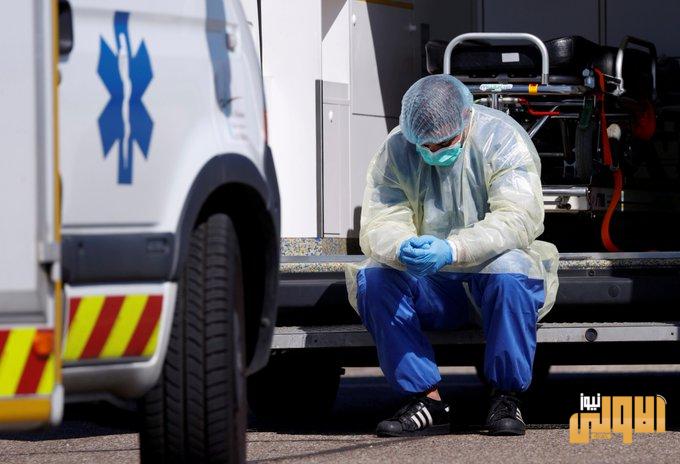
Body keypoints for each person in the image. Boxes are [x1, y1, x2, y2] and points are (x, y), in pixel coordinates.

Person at [344, 75, 559, 437]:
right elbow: (381, 218)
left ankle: (506, 397)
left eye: (443, 143)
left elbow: (518, 217)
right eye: (424, 145)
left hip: (488, 277)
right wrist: (400, 246)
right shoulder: (397, 148)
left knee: (511, 268)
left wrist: (454, 249)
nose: (432, 152)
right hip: (433, 284)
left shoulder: (500, 139)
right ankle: (426, 400)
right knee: (375, 277)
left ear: (466, 117)